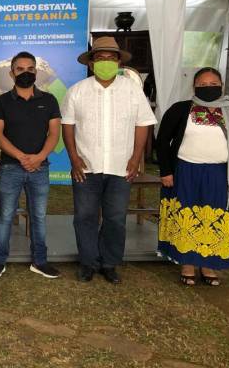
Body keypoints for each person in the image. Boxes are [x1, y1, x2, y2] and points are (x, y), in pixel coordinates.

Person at [61, 37, 156, 284]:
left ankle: (110, 263)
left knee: (115, 218)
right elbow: (68, 127)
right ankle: (88, 263)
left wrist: (136, 158)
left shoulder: (132, 90)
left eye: (111, 58)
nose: (105, 62)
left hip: (121, 166)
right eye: (100, 58)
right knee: (85, 217)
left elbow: (143, 124)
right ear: (91, 64)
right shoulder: (77, 91)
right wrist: (74, 158)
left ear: (118, 62)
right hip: (86, 166)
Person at [157, 67, 229, 286]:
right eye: (202, 85)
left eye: (213, 84)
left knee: (215, 219)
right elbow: (162, 140)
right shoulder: (180, 109)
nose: (208, 88)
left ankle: (209, 265)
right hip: (185, 172)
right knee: (186, 218)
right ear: (194, 86)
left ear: (222, 86)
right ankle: (187, 264)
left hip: (221, 174)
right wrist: (166, 171)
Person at [0, 51, 61, 279]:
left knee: (38, 216)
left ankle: (40, 262)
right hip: (10, 167)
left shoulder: (49, 100)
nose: (25, 73)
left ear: (36, 72)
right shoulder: (2, 102)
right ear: (12, 73)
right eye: (20, 69)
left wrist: (39, 157)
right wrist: (21, 157)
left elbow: (54, 133)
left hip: (40, 168)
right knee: (6, 216)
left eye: (30, 69)